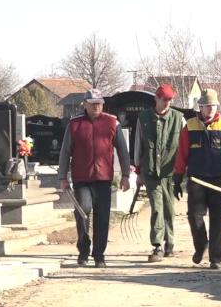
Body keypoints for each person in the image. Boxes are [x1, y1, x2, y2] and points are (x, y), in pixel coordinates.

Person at [57, 89, 131, 268]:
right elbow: (65, 152)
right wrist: (62, 177)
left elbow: (122, 150)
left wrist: (126, 175)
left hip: (104, 178)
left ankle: (99, 255)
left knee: (102, 217)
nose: (97, 106)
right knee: (83, 210)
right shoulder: (75, 124)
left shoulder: (112, 122)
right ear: (85, 104)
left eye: (99, 103)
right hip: (82, 178)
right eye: (93, 103)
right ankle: (83, 249)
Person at [173, 88, 221, 269]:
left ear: (216, 106)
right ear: (200, 107)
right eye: (206, 106)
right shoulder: (189, 127)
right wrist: (177, 178)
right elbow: (182, 154)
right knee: (194, 217)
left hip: (219, 180)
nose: (210, 109)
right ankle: (201, 244)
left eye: (213, 106)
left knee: (217, 220)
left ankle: (216, 259)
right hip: (196, 180)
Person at [136, 83, 185, 262]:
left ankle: (169, 243)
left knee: (169, 208)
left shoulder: (179, 119)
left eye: (170, 100)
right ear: (156, 99)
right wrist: (138, 171)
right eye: (163, 100)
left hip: (170, 172)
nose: (166, 103)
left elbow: (184, 147)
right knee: (157, 208)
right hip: (150, 171)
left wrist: (183, 171)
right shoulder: (143, 118)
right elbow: (138, 145)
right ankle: (157, 246)